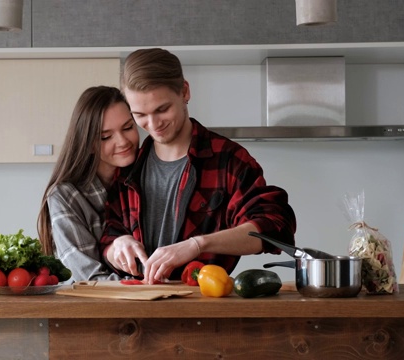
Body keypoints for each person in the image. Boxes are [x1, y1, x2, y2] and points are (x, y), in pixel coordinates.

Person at [100, 48, 297, 284]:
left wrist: (197, 244)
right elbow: (108, 235)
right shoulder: (129, 168)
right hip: (135, 306)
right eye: (140, 115)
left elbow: (273, 227)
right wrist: (117, 245)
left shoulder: (228, 160)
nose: (153, 125)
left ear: (184, 92)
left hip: (203, 305)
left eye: (162, 109)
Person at [37, 86, 140, 282]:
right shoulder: (64, 196)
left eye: (128, 127)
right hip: (93, 309)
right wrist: (146, 288)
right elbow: (89, 278)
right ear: (88, 143)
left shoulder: (147, 176)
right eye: (105, 137)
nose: (122, 141)